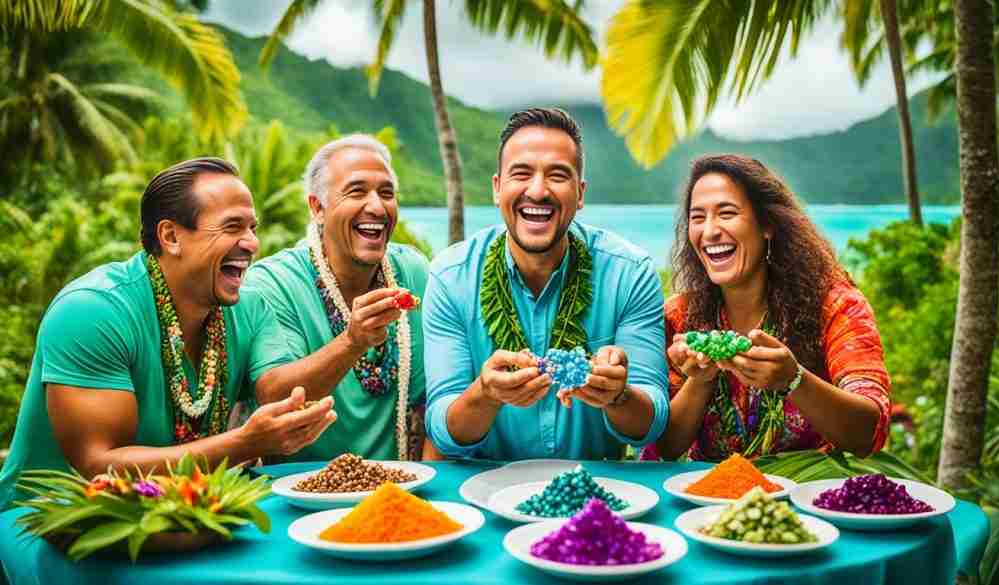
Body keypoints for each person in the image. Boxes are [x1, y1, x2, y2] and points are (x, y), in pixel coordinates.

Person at [0, 158, 337, 509]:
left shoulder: (249, 308)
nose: (251, 243)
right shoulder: (93, 311)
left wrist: (354, 339)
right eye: (233, 227)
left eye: (253, 228)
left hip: (187, 510)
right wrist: (245, 443)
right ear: (171, 236)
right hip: (55, 519)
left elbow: (279, 390)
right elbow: (98, 466)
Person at [423, 107, 669, 460]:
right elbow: (444, 430)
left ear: (580, 193)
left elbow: (651, 424)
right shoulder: (450, 278)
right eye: (521, 174)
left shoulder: (630, 273)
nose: (537, 191)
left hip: (594, 494)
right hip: (485, 493)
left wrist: (618, 394)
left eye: (557, 175)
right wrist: (485, 394)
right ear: (497, 188)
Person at [652, 154, 891, 461]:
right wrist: (700, 380)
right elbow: (665, 447)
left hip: (807, 500)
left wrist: (794, 380)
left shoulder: (835, 306)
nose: (709, 231)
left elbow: (869, 432)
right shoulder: (679, 317)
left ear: (767, 224)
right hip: (707, 502)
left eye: (726, 213)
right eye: (698, 218)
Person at [245, 135, 439, 461]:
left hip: (397, 489)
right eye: (357, 191)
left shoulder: (413, 272)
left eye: (386, 193)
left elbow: (429, 400)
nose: (377, 207)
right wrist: (352, 341)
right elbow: (273, 396)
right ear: (317, 208)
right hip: (299, 490)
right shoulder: (271, 284)